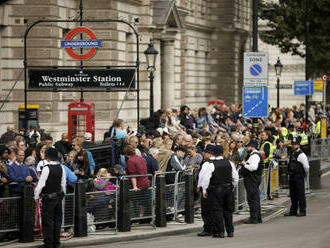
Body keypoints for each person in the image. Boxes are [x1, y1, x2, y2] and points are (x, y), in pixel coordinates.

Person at [34, 147, 66, 248]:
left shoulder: (46, 168)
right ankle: (56, 242)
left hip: (48, 198)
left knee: (47, 221)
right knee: (57, 221)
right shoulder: (61, 168)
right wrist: (62, 195)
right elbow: (63, 184)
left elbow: (41, 184)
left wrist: (36, 196)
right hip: (58, 198)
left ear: (47, 157)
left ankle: (48, 243)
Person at [214, 144, 238, 237]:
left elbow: (206, 179)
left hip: (217, 189)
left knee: (218, 210)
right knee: (228, 210)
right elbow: (235, 177)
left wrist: (204, 190)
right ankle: (230, 231)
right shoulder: (230, 163)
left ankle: (221, 232)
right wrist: (233, 186)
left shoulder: (212, 164)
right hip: (228, 188)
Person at [284, 136, 309, 217]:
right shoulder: (292, 153)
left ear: (298, 145)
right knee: (293, 194)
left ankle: (302, 211)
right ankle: (293, 211)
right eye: (292, 144)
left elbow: (306, 166)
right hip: (292, 175)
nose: (293, 146)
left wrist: (305, 173)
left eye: (295, 144)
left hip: (298, 176)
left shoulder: (301, 155)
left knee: (300, 194)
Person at [241, 139, 263, 224]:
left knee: (252, 199)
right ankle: (257, 217)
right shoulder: (253, 155)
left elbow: (253, 167)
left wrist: (244, 164)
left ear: (252, 147)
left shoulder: (255, 156)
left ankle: (254, 218)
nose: (247, 148)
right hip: (253, 179)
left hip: (252, 179)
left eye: (248, 146)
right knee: (255, 199)